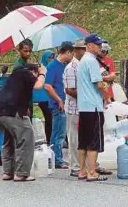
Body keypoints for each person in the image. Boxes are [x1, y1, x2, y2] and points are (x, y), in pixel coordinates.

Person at [0, 63, 47, 182]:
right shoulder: (26, 73)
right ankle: (21, 173)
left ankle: (8, 172)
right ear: (33, 71)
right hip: (11, 111)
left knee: (9, 139)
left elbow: (17, 94)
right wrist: (42, 73)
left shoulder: (14, 76)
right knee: (26, 137)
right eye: (35, 74)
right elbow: (38, 85)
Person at [77, 34, 110, 182]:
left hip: (83, 106)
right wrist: (106, 96)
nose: (99, 47)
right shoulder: (91, 61)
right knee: (93, 141)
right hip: (94, 106)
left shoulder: (82, 60)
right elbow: (98, 83)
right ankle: (92, 172)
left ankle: (82, 170)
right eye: (97, 45)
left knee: (83, 141)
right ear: (89, 45)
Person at [45, 41, 74, 169]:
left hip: (64, 102)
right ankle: (56, 159)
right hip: (58, 104)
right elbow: (47, 86)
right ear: (67, 52)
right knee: (58, 133)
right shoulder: (52, 66)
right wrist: (59, 100)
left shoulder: (64, 66)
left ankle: (57, 157)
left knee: (61, 132)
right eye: (71, 54)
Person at [63, 39, 86, 177]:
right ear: (76, 50)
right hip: (74, 108)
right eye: (83, 49)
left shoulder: (85, 64)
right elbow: (69, 90)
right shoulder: (71, 67)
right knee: (74, 138)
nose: (85, 52)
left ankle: (85, 164)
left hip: (84, 107)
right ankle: (75, 166)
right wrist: (86, 95)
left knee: (84, 137)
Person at [38, 50, 55, 143]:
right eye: (49, 57)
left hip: (51, 98)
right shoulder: (42, 69)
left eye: (53, 57)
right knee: (49, 119)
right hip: (43, 98)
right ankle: (49, 140)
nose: (51, 59)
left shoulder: (53, 68)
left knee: (53, 119)